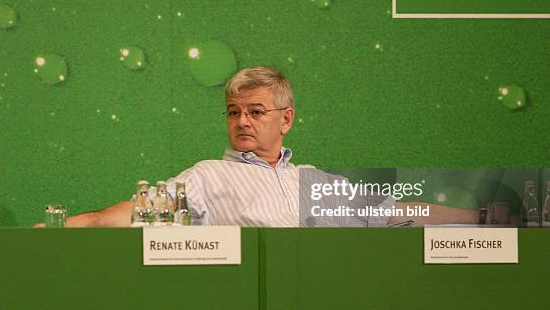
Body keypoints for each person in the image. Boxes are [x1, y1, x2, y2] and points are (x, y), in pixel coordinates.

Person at [35, 66, 479, 227]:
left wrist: (481, 218)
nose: (242, 121)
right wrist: (78, 224)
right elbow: (144, 210)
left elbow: (391, 211)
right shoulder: (209, 175)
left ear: (286, 119)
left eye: (255, 111)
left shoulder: (314, 180)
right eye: (233, 111)